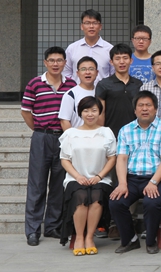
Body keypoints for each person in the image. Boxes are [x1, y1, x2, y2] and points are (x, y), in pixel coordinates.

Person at [21, 46, 77, 246]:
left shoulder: (71, 85)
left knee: (58, 185)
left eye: (59, 60)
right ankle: (33, 230)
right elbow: (26, 111)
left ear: (65, 63)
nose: (55, 64)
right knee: (37, 184)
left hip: (63, 138)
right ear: (45, 62)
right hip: (41, 138)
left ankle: (53, 226)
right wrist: (38, 129)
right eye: (51, 60)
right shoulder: (35, 83)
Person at [108, 91, 161, 254]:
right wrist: (122, 183)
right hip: (131, 178)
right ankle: (130, 239)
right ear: (135, 110)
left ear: (155, 109)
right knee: (116, 202)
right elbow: (122, 158)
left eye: (148, 105)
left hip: (156, 178)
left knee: (151, 203)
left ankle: (151, 241)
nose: (145, 109)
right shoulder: (126, 130)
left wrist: (153, 182)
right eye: (141, 105)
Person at [57, 96, 117, 255]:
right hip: (75, 178)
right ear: (80, 113)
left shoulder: (106, 132)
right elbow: (64, 159)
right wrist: (77, 176)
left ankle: (90, 237)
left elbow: (112, 158)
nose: (90, 114)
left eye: (94, 110)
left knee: (96, 196)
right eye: (86, 110)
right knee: (81, 195)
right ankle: (79, 237)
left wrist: (99, 176)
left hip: (101, 178)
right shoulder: (71, 133)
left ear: (100, 113)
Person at [96, 43, 143, 136]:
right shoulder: (103, 84)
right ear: (111, 62)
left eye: (125, 58)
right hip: (111, 135)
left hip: (134, 134)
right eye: (117, 58)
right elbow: (100, 113)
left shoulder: (138, 84)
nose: (122, 62)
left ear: (131, 60)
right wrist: (101, 134)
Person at [64, 9, 113, 80]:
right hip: (77, 87)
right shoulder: (72, 48)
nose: (91, 26)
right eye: (87, 23)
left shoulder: (109, 49)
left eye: (95, 23)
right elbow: (66, 73)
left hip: (103, 87)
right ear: (82, 26)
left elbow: (113, 74)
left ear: (100, 26)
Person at [59, 56, 99, 130]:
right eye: (83, 69)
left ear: (97, 73)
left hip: (98, 135)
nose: (87, 72)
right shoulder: (71, 94)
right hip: (77, 136)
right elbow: (64, 121)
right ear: (77, 73)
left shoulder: (101, 92)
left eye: (91, 69)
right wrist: (74, 136)